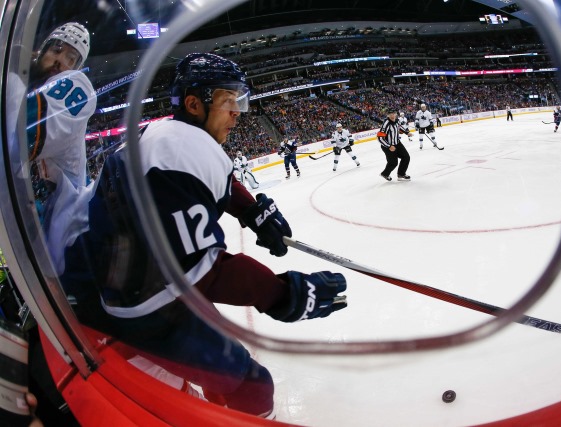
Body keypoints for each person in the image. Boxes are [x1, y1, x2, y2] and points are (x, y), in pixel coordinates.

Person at [60, 53, 347, 418]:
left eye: (240, 101)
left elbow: (219, 182)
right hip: (138, 306)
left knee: (213, 337)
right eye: (230, 101)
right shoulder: (183, 148)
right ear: (195, 104)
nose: (238, 112)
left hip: (98, 280)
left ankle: (212, 401)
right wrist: (282, 295)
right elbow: (202, 270)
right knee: (253, 383)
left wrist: (251, 212)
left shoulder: (161, 134)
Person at [23, 22, 96, 276]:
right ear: (41, 51)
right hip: (48, 221)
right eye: (57, 50)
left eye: (71, 58)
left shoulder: (77, 85)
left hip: (70, 236)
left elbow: (21, 136)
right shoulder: (27, 87)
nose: (60, 61)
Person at [377, 108, 411, 181]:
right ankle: (385, 174)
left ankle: (401, 174)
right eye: (390, 114)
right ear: (388, 115)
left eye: (394, 113)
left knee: (406, 157)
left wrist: (407, 132)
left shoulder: (397, 120)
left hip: (397, 143)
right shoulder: (386, 123)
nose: (392, 115)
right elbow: (380, 138)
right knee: (393, 163)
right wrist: (389, 146)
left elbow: (399, 127)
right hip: (388, 146)